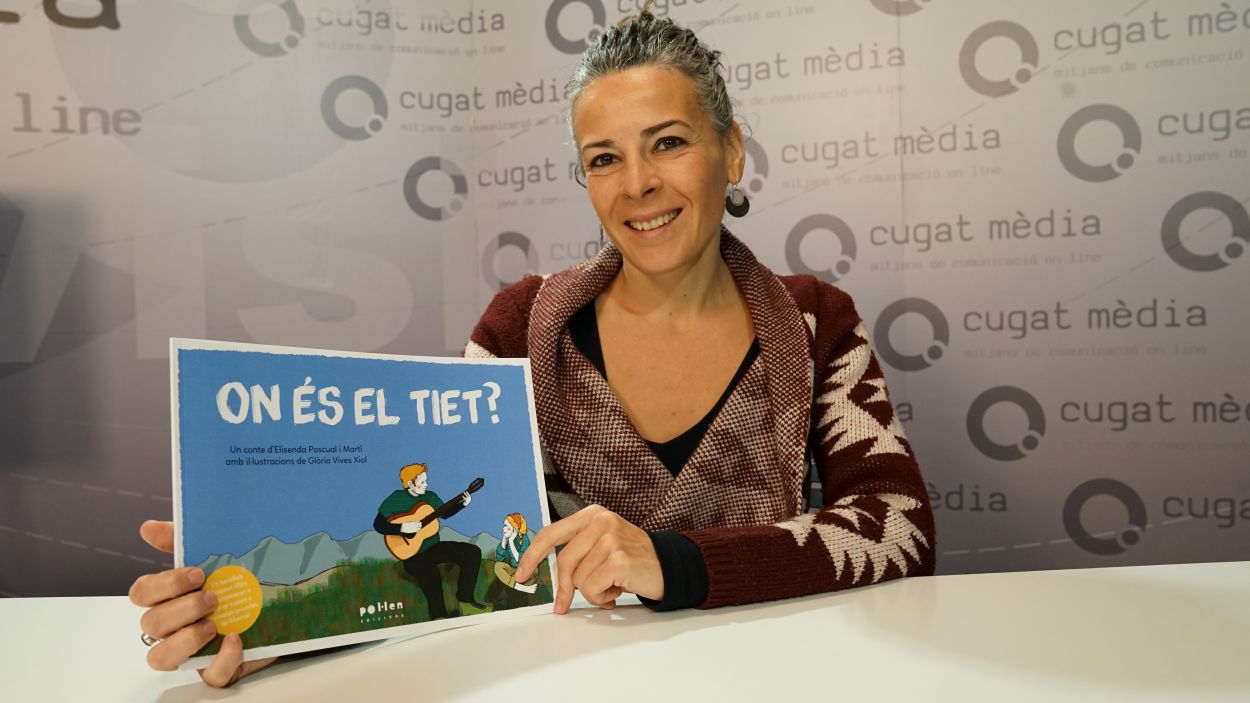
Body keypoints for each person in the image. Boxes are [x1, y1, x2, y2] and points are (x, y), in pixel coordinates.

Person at [129, 1, 934, 686]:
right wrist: (284, 623)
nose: (638, 184)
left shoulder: (814, 320)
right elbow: (439, 549)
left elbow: (898, 525)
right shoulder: (518, 328)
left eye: (668, 142)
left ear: (731, 149)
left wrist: (673, 561)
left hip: (769, 680)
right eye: (604, 158)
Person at [371, 462, 486, 621]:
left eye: (426, 481)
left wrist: (462, 505)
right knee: (431, 574)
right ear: (410, 483)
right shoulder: (396, 498)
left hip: (434, 547)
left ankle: (466, 600)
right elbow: (378, 524)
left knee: (472, 552)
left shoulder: (430, 497)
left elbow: (444, 514)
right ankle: (439, 616)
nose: (426, 484)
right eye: (422, 481)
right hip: (412, 555)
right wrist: (402, 528)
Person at [493, 513, 537, 594]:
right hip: (514, 570)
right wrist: (504, 541)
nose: (503, 529)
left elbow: (521, 562)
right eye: (504, 526)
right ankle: (519, 587)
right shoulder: (508, 539)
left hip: (525, 569)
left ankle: (515, 584)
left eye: (506, 526)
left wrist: (511, 542)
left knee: (532, 570)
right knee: (498, 566)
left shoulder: (524, 539)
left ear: (515, 528)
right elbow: (499, 558)